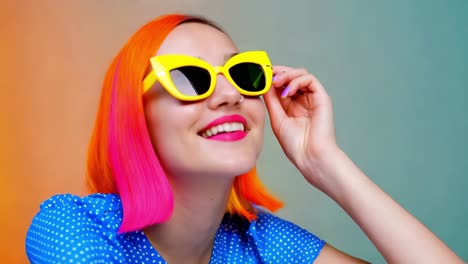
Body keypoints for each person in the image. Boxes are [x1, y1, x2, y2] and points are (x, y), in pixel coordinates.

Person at [25, 14, 463, 264]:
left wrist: (327, 164)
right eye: (191, 78)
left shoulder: (263, 242)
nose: (230, 94)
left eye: (242, 73)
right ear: (134, 118)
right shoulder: (73, 226)